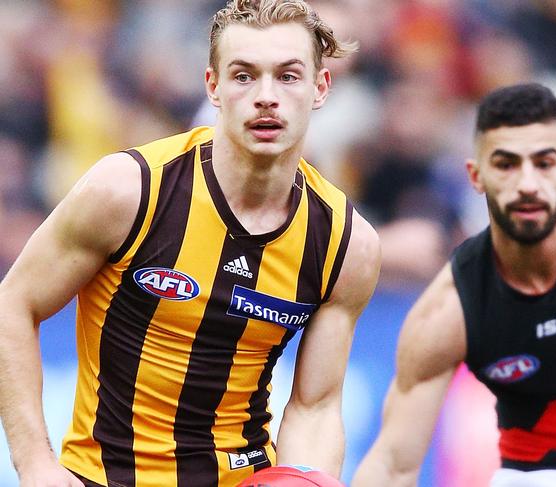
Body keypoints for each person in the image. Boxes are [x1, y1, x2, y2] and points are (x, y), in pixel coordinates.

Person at [0, 1, 381, 486]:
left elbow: (316, 404)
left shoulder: (346, 244)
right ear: (213, 87)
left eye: (288, 76)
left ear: (320, 87)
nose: (267, 96)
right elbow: (14, 302)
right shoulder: (130, 191)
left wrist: (305, 479)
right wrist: (35, 465)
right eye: (244, 76)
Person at [352, 83, 556, 487]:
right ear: (476, 175)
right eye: (506, 164)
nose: (527, 183)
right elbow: (392, 463)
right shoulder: (454, 302)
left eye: (544, 163)